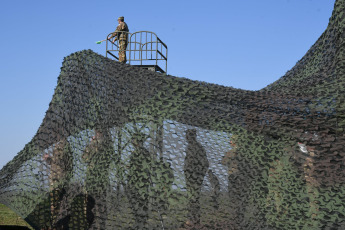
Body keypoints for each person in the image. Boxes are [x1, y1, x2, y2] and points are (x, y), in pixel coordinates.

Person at [183, 129, 209, 226]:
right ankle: (194, 219)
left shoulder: (195, 147)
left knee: (193, 198)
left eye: (188, 135)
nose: (186, 137)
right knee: (193, 198)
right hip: (192, 177)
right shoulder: (193, 147)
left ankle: (192, 219)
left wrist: (198, 175)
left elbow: (205, 164)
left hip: (194, 177)